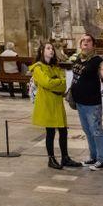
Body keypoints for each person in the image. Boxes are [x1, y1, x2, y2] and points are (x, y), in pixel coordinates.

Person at [30, 42, 81, 170]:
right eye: (48, 48)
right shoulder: (38, 68)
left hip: (57, 102)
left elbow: (64, 84)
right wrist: (58, 82)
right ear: (42, 51)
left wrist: (57, 82)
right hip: (46, 103)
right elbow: (46, 82)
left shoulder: (55, 66)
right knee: (50, 132)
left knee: (63, 131)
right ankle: (51, 159)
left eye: (52, 48)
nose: (51, 50)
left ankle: (65, 157)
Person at [69, 34, 103, 171]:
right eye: (83, 41)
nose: (85, 43)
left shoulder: (98, 60)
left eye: (89, 41)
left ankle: (102, 159)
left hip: (93, 102)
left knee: (96, 130)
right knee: (87, 131)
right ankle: (93, 156)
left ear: (93, 45)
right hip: (80, 102)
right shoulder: (78, 58)